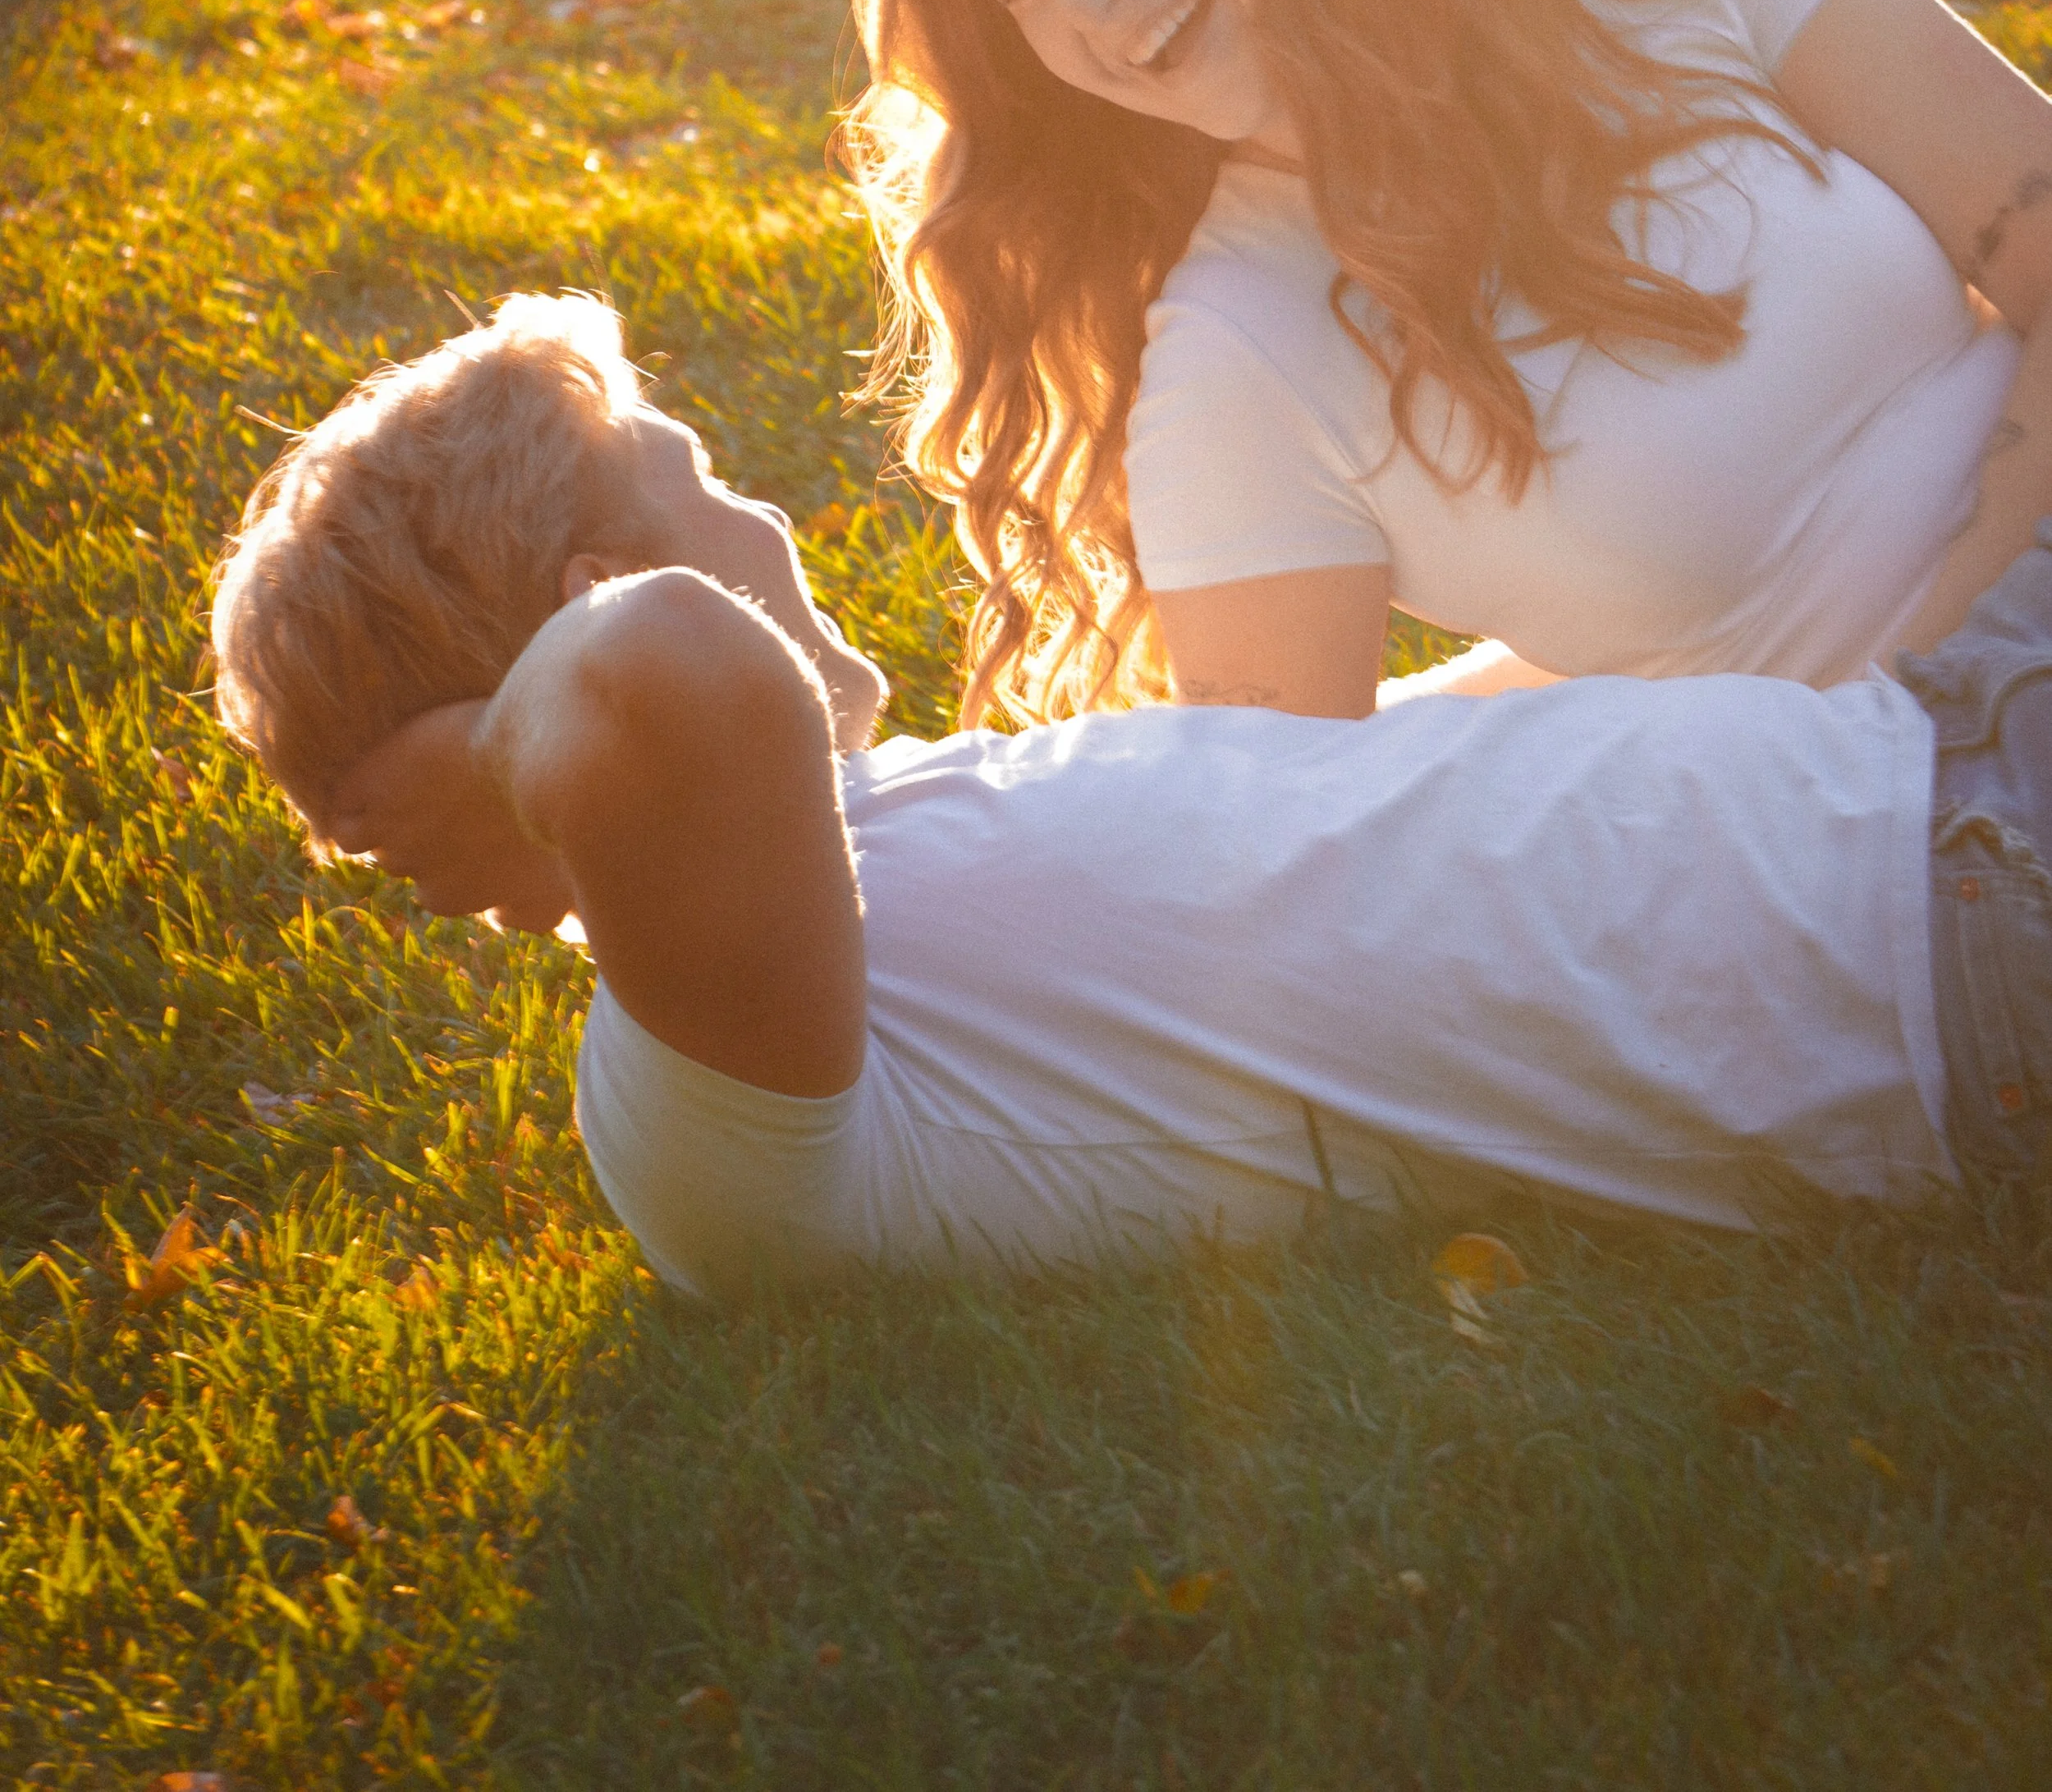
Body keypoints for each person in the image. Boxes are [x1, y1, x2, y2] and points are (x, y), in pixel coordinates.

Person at [210, 294, 2052, 1298]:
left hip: (1927, 753)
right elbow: (670, 670)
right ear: (571, 616)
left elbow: (1391, 782)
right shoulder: (696, 1097)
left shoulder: (896, 853)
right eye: (699, 480)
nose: (766, 524)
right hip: (1953, 917)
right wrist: (494, 763)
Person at [845, 0, 2052, 724]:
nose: (1093, 3)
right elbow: (1299, 830)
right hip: (1943, 801)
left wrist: (1960, 625)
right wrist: (1929, 686)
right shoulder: (1238, 351)